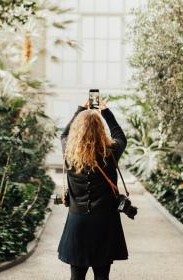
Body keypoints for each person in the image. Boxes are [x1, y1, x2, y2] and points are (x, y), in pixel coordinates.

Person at [57, 96, 128, 280]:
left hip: (77, 222)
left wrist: (80, 110)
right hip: (104, 223)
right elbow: (120, 136)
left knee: (77, 277)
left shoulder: (70, 154)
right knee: (102, 276)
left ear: (77, 132)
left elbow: (64, 135)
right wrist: (105, 112)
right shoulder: (110, 153)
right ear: (100, 130)